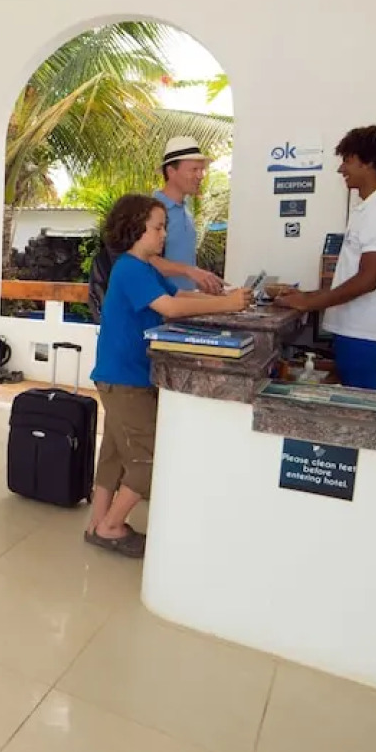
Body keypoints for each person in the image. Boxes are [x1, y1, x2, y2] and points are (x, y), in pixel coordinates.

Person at [87, 194, 252, 557]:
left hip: (121, 376)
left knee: (114, 453)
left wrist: (228, 297)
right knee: (147, 459)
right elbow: (171, 308)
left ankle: (97, 521)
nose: (163, 235)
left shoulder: (145, 269)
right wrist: (229, 304)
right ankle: (111, 527)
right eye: (157, 228)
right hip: (125, 379)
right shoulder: (130, 269)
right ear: (135, 230)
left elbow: (182, 294)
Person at [276, 126, 376, 389]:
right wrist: (308, 296)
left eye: (347, 161)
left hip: (365, 331)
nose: (341, 169)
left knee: (357, 410)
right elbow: (355, 276)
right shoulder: (373, 207)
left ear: (369, 163)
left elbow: (367, 280)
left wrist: (309, 303)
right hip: (357, 328)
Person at [152, 135, 225, 294]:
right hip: (160, 310)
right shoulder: (151, 209)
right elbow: (144, 260)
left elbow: (182, 262)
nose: (201, 176)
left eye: (202, 170)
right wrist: (189, 271)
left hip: (186, 306)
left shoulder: (187, 207)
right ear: (171, 171)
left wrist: (205, 281)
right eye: (194, 170)